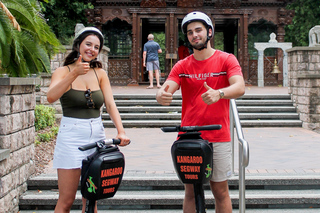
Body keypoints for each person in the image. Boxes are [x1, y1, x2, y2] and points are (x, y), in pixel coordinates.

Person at [156, 11, 245, 213]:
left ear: (209, 32)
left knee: (220, 191)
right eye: (189, 32)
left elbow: (239, 87)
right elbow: (166, 88)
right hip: (189, 136)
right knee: (190, 190)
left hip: (218, 135)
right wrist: (161, 95)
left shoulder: (226, 60)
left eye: (198, 30)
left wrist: (220, 93)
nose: (194, 35)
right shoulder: (182, 65)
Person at [47, 25, 130, 213]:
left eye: (96, 47)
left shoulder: (99, 73)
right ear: (78, 45)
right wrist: (74, 73)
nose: (91, 49)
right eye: (88, 44)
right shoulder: (62, 71)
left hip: (96, 135)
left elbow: (110, 104)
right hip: (71, 137)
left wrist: (121, 131)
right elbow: (51, 96)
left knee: (91, 198)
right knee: (66, 200)